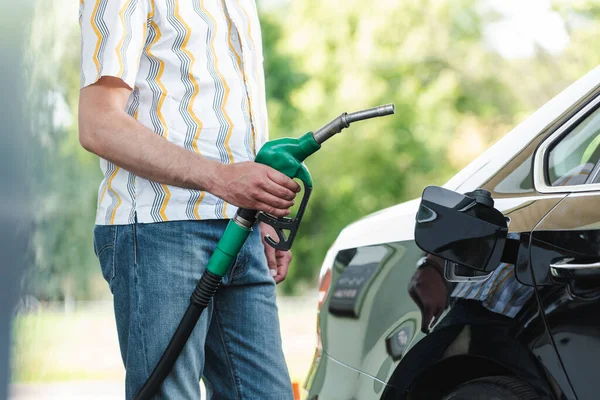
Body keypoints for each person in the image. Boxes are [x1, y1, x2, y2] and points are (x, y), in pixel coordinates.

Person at [78, 1, 297, 399]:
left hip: (240, 228)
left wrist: (262, 207)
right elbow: (98, 125)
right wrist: (220, 178)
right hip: (159, 230)